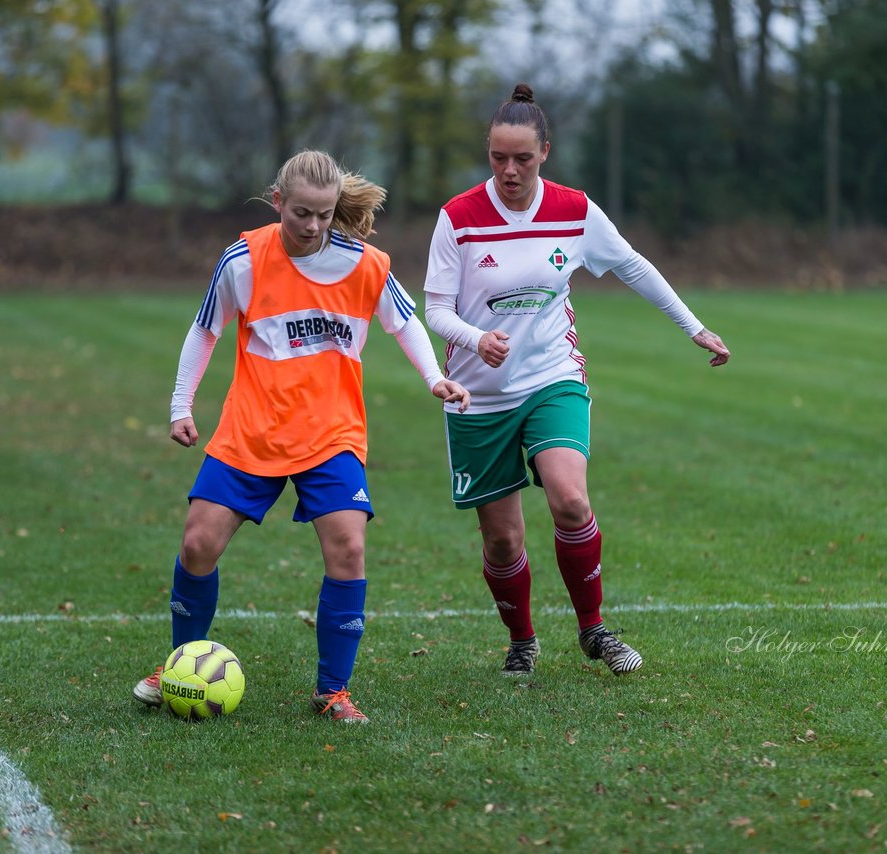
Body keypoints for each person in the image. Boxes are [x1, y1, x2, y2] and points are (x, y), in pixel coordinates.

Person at [133, 150, 470, 723]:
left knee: (348, 547)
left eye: (324, 214)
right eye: (301, 214)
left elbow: (406, 321)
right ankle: (178, 665)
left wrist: (436, 377)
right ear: (278, 203)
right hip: (253, 428)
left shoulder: (366, 264)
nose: (312, 226)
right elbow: (204, 329)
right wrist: (179, 405)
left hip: (331, 433)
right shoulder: (245, 258)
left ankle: (332, 690)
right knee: (197, 545)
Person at [423, 84, 730, 677]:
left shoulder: (574, 209)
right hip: (476, 395)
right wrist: (474, 339)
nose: (509, 171)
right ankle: (522, 639)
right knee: (503, 543)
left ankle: (594, 631)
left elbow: (631, 264)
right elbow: (434, 309)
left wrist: (692, 327)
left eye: (523, 159)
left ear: (545, 152)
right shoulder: (458, 219)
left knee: (570, 500)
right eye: (497, 158)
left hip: (550, 377)